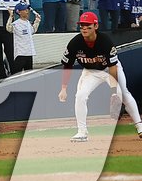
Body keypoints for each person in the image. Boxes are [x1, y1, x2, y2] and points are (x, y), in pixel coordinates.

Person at [59, 11, 142, 142]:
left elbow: (113, 66)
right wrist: (63, 88)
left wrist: (114, 92)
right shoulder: (75, 43)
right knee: (80, 96)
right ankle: (82, 132)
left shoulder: (105, 41)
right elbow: (67, 65)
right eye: (82, 26)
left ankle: (140, 127)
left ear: (96, 26)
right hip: (91, 72)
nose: (84, 28)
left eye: (88, 26)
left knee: (124, 93)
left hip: (109, 69)